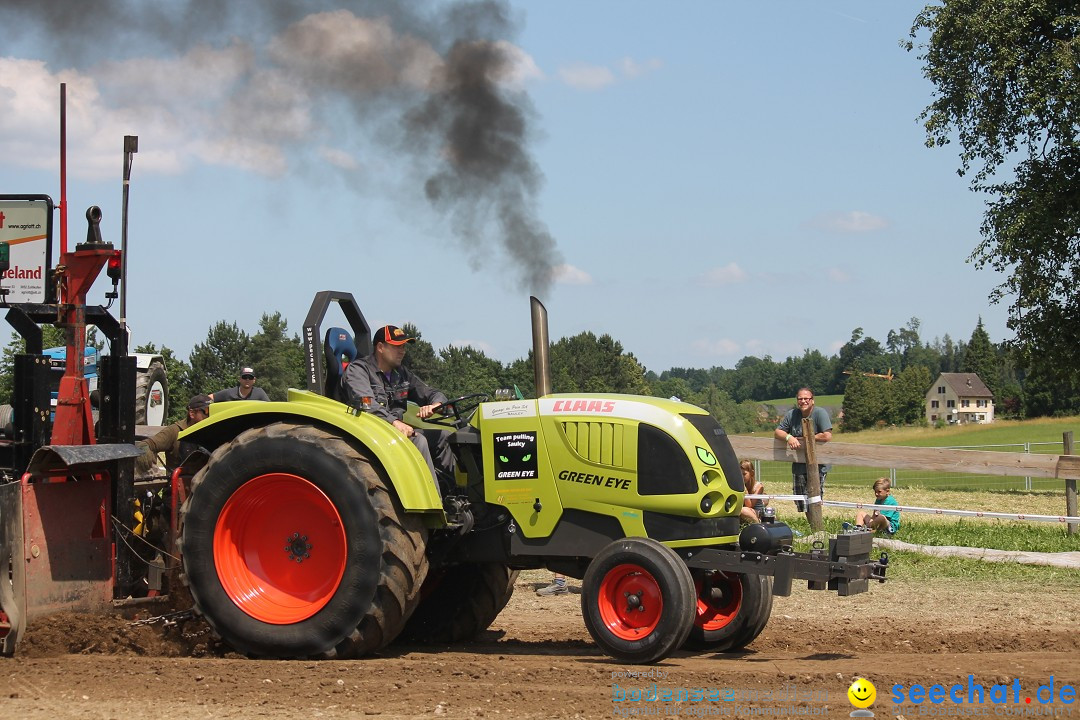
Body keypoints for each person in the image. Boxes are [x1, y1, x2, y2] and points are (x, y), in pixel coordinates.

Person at [340, 324, 454, 494]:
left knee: (444, 437)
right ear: (380, 347)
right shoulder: (358, 370)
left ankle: (452, 498)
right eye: (397, 346)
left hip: (394, 432)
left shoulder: (401, 374)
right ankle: (433, 504)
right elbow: (367, 405)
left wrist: (436, 404)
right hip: (372, 433)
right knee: (418, 441)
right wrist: (394, 422)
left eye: (403, 347)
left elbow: (430, 392)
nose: (402, 351)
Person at [774, 387, 832, 512]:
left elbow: (827, 435)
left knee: (815, 499)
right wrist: (789, 437)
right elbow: (778, 431)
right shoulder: (792, 414)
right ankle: (812, 527)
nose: (803, 401)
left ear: (812, 400)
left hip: (818, 465)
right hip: (799, 464)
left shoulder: (820, 413)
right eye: (800, 399)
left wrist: (807, 439)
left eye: (806, 398)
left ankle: (817, 529)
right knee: (802, 502)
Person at [136, 394, 212, 473]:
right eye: (206, 412)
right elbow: (146, 444)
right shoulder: (175, 431)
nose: (210, 416)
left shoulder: (213, 431)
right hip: (179, 482)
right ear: (192, 413)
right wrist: (144, 450)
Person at [739, 459, 769, 524]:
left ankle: (758, 525)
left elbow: (750, 505)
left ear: (752, 473)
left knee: (744, 510)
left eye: (744, 474)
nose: (741, 477)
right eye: (739, 474)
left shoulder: (758, 486)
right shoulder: (738, 484)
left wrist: (745, 490)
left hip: (757, 512)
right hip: (746, 510)